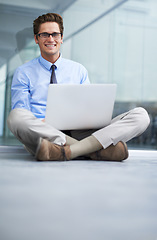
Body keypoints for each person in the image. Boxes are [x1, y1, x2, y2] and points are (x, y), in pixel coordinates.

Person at [7, 13, 150, 161]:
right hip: (46, 131)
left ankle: (66, 151)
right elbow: (22, 110)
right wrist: (43, 122)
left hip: (81, 131)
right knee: (15, 117)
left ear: (61, 38)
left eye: (55, 34)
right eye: (44, 35)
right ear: (37, 39)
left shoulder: (78, 70)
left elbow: (88, 108)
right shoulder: (23, 72)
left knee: (141, 116)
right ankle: (94, 150)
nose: (50, 39)